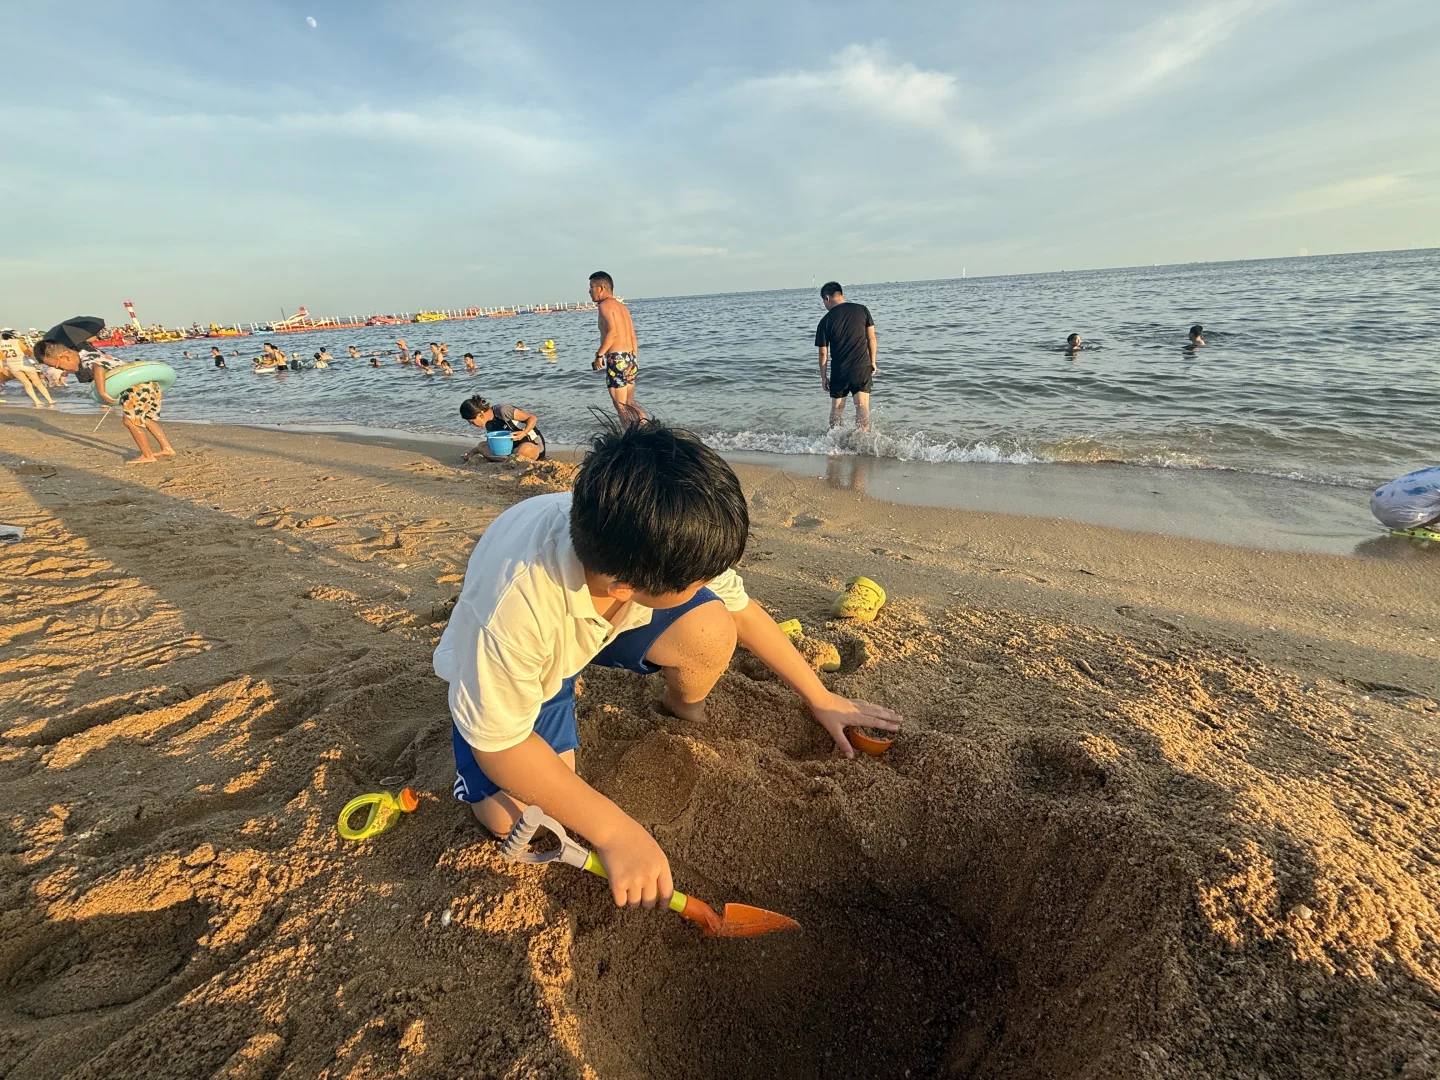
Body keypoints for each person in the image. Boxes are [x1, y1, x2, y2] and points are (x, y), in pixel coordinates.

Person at [434, 422, 901, 908]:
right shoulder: (512, 615)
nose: (711, 579)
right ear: (625, 587)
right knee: (516, 819)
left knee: (711, 625)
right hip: (537, 659)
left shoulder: (655, 531)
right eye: (699, 577)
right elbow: (500, 744)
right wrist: (615, 831)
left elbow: (741, 612)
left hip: (602, 618)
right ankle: (536, 700)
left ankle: (684, 709)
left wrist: (821, 697)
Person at [34, 336, 176, 464]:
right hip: (149, 384)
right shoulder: (93, 353)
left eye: (56, 366)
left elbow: (98, 368)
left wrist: (102, 391)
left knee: (130, 421)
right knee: (144, 418)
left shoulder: (87, 360)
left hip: (136, 386)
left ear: (65, 357)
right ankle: (167, 448)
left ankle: (147, 455)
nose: (58, 369)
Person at [814, 281, 877, 431]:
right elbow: (872, 338)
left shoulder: (825, 321)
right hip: (861, 366)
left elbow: (823, 352)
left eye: (824, 301)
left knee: (837, 407)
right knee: (862, 405)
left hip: (839, 369)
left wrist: (823, 377)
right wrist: (873, 361)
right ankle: (862, 440)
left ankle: (834, 440)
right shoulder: (862, 310)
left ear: (827, 298)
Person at [589, 271, 645, 422]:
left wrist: (599, 355)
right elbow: (633, 336)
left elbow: (612, 332)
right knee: (630, 403)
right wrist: (634, 358)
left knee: (620, 405)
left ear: (600, 288)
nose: (589, 291)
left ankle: (630, 436)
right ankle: (647, 426)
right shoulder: (622, 307)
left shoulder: (605, 305)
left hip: (616, 357)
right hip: (630, 357)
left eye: (591, 287)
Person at [459, 395, 547, 461]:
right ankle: (509, 461)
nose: (472, 425)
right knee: (482, 446)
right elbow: (496, 442)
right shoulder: (488, 424)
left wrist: (524, 432)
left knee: (523, 449)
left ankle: (509, 459)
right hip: (512, 449)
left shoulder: (503, 410)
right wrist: (473, 451)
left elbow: (532, 418)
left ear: (480, 415)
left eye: (471, 422)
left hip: (532, 445)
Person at [1, 329, 55, 408]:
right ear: (11, 336)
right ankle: (50, 400)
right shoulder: (16, 341)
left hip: (12, 366)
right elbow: (28, 352)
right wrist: (37, 362)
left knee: (27, 384)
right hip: (24, 364)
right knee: (37, 383)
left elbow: (1, 358)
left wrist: (2, 368)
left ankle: (37, 401)